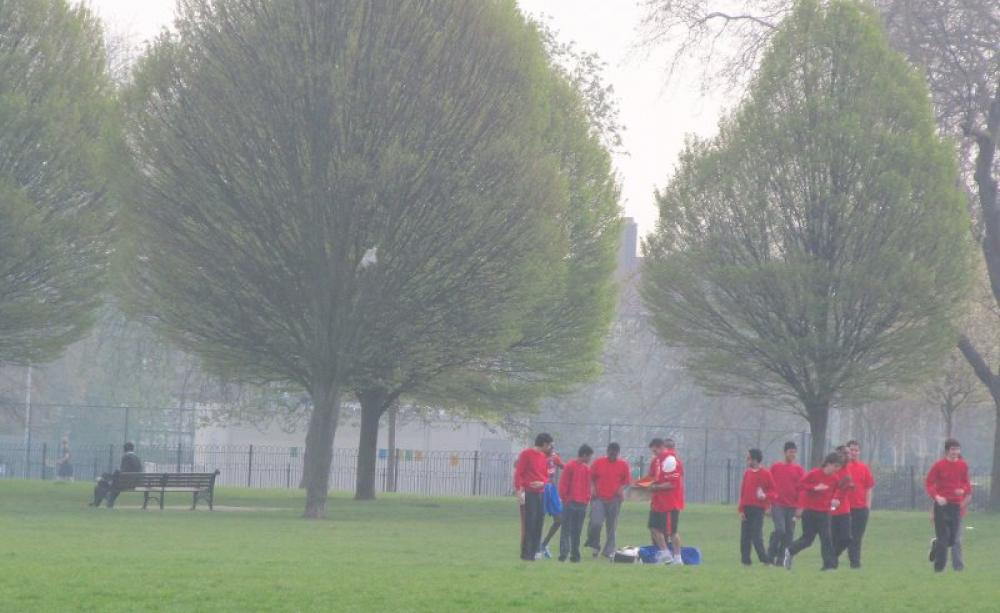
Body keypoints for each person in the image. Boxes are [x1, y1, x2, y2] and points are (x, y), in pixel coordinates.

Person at [783, 452, 844, 571]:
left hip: (825, 513)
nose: (837, 470)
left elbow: (835, 493)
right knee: (807, 540)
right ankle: (790, 551)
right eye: (836, 466)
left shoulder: (835, 479)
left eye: (839, 467)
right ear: (828, 464)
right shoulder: (814, 474)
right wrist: (814, 488)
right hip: (810, 512)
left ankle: (828, 566)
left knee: (826, 538)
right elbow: (799, 486)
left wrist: (835, 501)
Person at [925, 438, 972, 572]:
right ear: (947, 451)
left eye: (957, 449)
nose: (955, 452)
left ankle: (936, 545)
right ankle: (939, 569)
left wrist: (962, 489)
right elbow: (928, 483)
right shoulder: (939, 465)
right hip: (941, 505)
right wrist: (937, 497)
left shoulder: (963, 466)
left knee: (952, 540)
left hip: (955, 506)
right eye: (952, 449)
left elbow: (966, 484)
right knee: (943, 539)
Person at [585, 442, 631, 559]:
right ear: (607, 452)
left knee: (611, 526)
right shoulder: (599, 462)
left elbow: (627, 481)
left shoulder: (623, 465)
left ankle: (609, 550)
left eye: (614, 454)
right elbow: (590, 477)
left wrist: (621, 489)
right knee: (595, 523)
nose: (612, 456)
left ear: (618, 453)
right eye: (610, 453)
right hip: (599, 498)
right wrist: (593, 488)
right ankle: (595, 545)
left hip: (615, 499)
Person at [515, 433, 554, 561]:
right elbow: (519, 473)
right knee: (530, 523)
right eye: (549, 445)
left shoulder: (543, 457)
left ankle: (534, 553)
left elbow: (546, 476)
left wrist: (542, 482)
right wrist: (519, 490)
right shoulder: (526, 454)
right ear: (544, 444)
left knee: (539, 522)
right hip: (529, 492)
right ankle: (526, 554)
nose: (550, 448)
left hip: (541, 493)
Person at [647, 437, 684, 565]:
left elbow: (672, 484)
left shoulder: (670, 461)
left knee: (672, 532)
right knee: (653, 527)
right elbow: (651, 478)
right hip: (657, 502)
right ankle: (665, 554)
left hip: (669, 503)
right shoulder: (656, 461)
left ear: (661, 447)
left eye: (655, 451)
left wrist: (656, 487)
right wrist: (640, 484)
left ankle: (678, 558)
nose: (654, 454)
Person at [737, 448, 775, 565]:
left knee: (756, 536)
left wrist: (765, 496)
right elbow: (743, 492)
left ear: (755, 459)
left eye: (749, 458)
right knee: (745, 537)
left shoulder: (766, 473)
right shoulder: (747, 473)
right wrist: (741, 509)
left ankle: (764, 559)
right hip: (747, 508)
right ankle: (745, 561)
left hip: (758, 509)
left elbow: (773, 491)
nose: (747, 460)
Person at [768, 441, 804, 562]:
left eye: (794, 452)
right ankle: (771, 553)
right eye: (790, 452)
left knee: (789, 533)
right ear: (785, 453)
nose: (792, 455)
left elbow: (801, 489)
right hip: (778, 504)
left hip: (792, 506)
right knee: (780, 529)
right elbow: (768, 486)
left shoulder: (799, 470)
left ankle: (781, 559)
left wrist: (800, 507)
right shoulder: (776, 467)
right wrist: (767, 505)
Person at [558, 445, 594, 562]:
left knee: (577, 531)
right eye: (589, 456)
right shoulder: (570, 466)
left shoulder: (587, 469)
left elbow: (588, 486)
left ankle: (575, 554)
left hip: (582, 503)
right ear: (584, 455)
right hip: (570, 502)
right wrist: (565, 498)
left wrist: (587, 499)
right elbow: (564, 483)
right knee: (566, 529)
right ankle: (564, 553)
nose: (590, 459)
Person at [845, 440, 875, 568]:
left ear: (859, 452)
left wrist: (867, 506)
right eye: (851, 450)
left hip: (860, 509)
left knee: (857, 537)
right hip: (844, 509)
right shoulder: (842, 467)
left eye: (856, 450)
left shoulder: (863, 468)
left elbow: (869, 487)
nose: (854, 452)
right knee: (844, 536)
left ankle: (855, 563)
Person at [829, 446, 854, 569]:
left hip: (844, 510)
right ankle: (832, 565)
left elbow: (847, 487)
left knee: (846, 538)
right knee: (833, 538)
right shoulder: (832, 470)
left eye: (849, 453)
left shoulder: (847, 471)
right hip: (832, 511)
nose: (848, 456)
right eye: (845, 453)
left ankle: (832, 556)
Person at [538, 450, 565, 559]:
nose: (552, 448)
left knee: (559, 519)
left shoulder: (554, 457)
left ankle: (544, 544)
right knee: (539, 518)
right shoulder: (538, 456)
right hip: (541, 489)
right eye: (550, 445)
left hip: (552, 490)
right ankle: (536, 546)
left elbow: (563, 466)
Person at [103, 441, 144, 508]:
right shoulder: (136, 457)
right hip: (136, 483)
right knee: (114, 483)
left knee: (113, 483)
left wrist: (116, 472)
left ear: (125, 449)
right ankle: (110, 499)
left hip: (127, 483)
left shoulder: (126, 457)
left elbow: (124, 472)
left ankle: (109, 499)